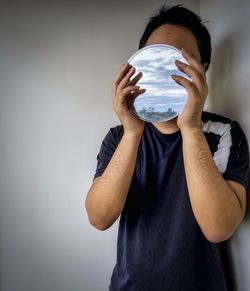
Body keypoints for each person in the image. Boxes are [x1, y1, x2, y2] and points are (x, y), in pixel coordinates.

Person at [85, 4, 249, 291]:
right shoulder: (119, 136)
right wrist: (133, 132)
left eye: (180, 63)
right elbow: (99, 217)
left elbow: (219, 228)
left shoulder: (224, 133)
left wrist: (191, 127)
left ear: (203, 71)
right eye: (153, 60)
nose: (164, 74)